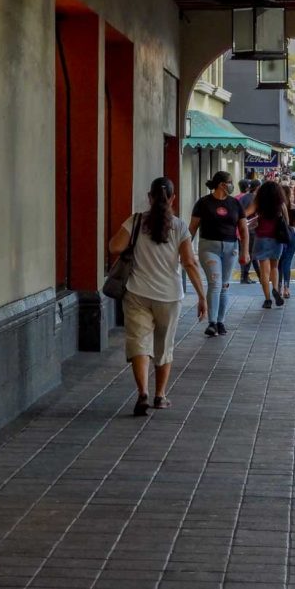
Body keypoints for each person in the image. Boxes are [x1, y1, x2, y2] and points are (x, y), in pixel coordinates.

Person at [109, 177, 207, 416]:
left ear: (149, 197)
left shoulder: (136, 221)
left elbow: (114, 247)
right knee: (164, 347)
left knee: (139, 343)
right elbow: (189, 263)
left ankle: (142, 392)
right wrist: (202, 296)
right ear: (173, 199)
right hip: (169, 296)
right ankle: (160, 395)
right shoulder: (180, 226)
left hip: (137, 293)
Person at [189, 171, 249, 337]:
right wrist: (185, 249)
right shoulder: (203, 203)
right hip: (209, 248)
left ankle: (221, 321)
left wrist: (245, 251)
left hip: (231, 248)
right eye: (230, 182)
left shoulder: (235, 204)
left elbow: (243, 229)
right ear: (222, 184)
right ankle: (212, 323)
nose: (232, 185)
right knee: (215, 282)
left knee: (224, 285)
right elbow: (192, 227)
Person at [246, 180, 288, 310]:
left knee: (264, 270)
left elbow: (246, 213)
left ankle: (268, 299)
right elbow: (286, 221)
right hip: (277, 238)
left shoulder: (258, 202)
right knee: (275, 266)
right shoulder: (280, 203)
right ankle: (275, 289)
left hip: (261, 238)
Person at [277, 185, 295, 299]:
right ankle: (286, 289)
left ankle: (278, 288)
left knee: (277, 264)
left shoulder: (276, 207)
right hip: (290, 234)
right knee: (287, 263)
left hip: (278, 235)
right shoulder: (294, 207)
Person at [238, 178, 259, 283]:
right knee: (251, 253)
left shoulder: (243, 197)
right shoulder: (256, 199)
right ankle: (245, 277)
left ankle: (246, 276)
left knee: (246, 252)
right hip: (252, 229)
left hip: (242, 227)